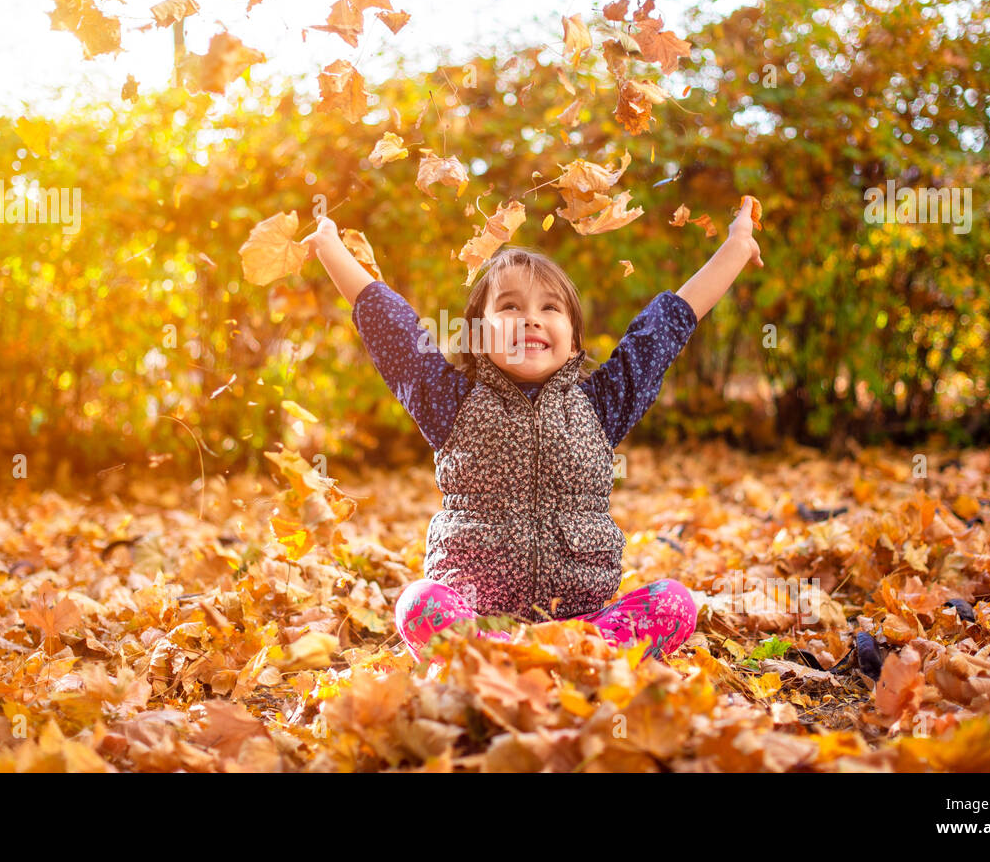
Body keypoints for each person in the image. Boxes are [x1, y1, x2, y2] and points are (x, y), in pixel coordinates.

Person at [298, 198, 763, 669]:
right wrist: (331, 249)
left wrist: (736, 247)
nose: (531, 318)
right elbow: (392, 330)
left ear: (575, 340)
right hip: (476, 618)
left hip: (581, 626)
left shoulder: (602, 403)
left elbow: (665, 327)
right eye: (510, 307)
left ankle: (562, 658)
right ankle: (502, 659)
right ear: (478, 335)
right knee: (419, 604)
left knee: (674, 603)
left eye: (549, 308)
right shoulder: (449, 400)